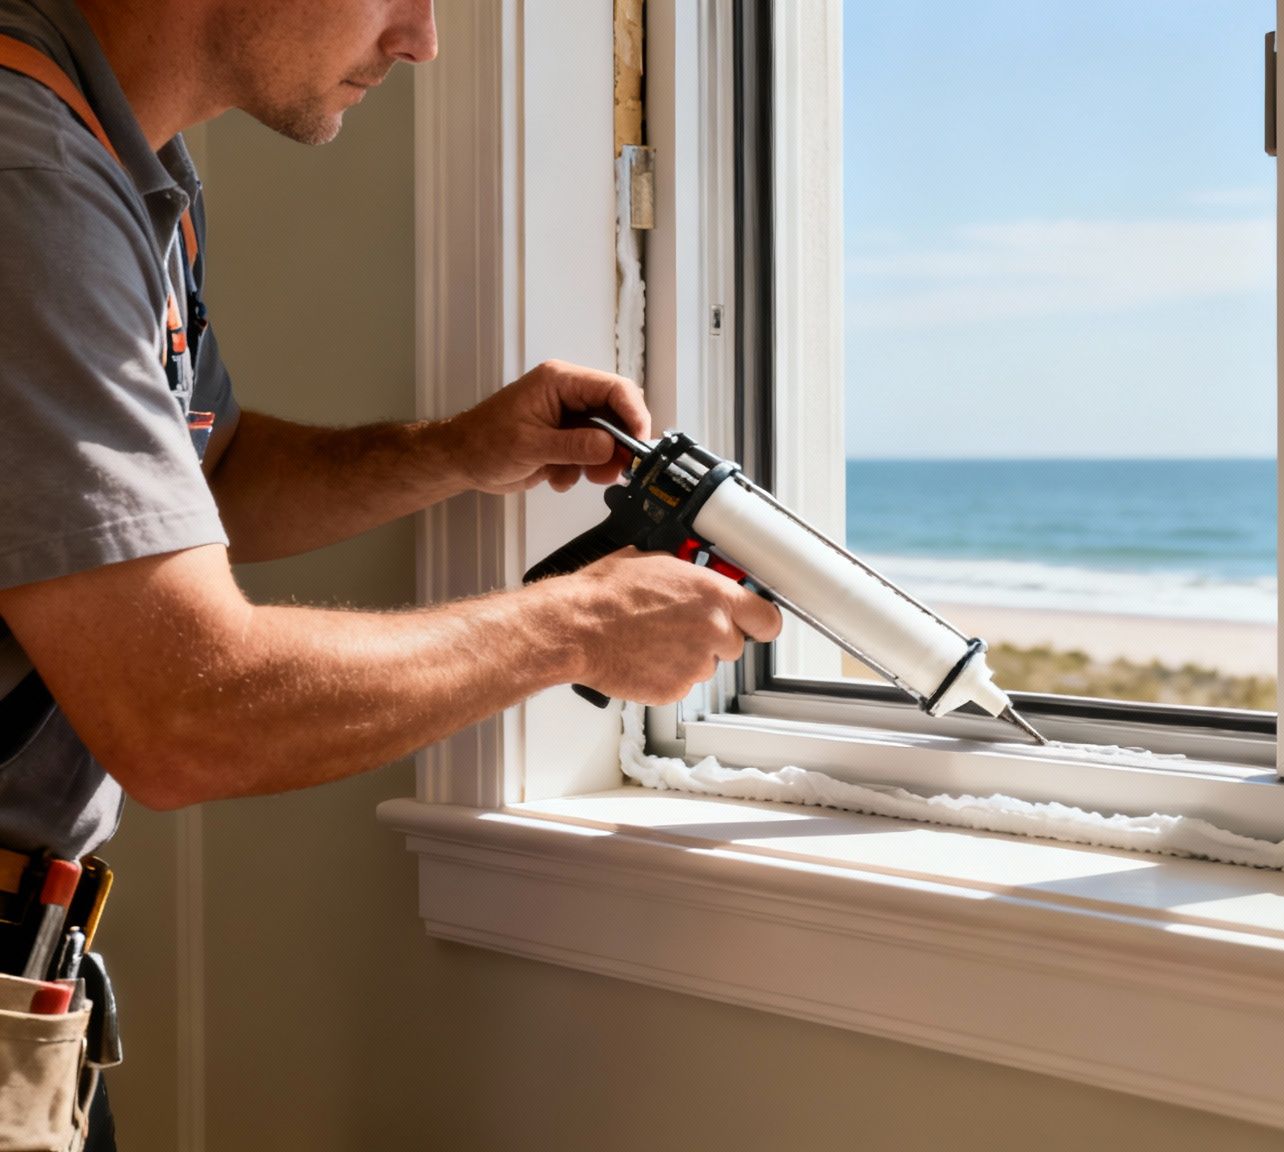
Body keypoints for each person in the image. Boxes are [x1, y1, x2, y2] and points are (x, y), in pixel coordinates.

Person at [0, 0, 780, 1144]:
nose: (421, 38)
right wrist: (573, 628)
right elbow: (185, 711)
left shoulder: (130, 166)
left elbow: (183, 485)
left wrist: (456, 452)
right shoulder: (32, 185)